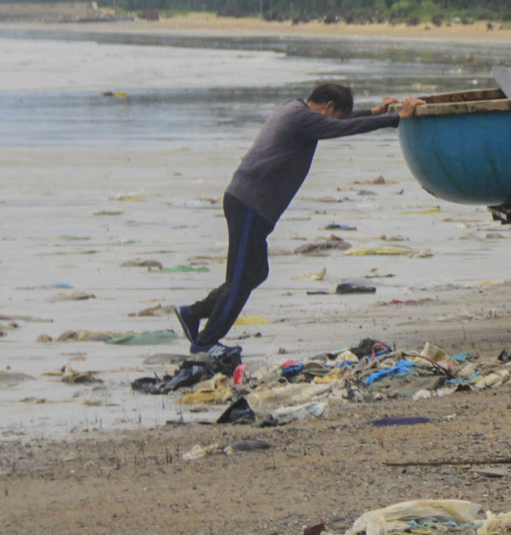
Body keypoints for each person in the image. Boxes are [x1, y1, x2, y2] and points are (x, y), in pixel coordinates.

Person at [175, 82, 422, 354]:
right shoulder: (302, 119)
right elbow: (341, 127)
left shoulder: (294, 109)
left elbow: (337, 122)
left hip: (249, 203)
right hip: (249, 203)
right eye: (337, 113)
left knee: (255, 273)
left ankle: (193, 313)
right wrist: (396, 118)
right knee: (240, 280)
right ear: (328, 106)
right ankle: (206, 343)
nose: (335, 119)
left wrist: (374, 112)